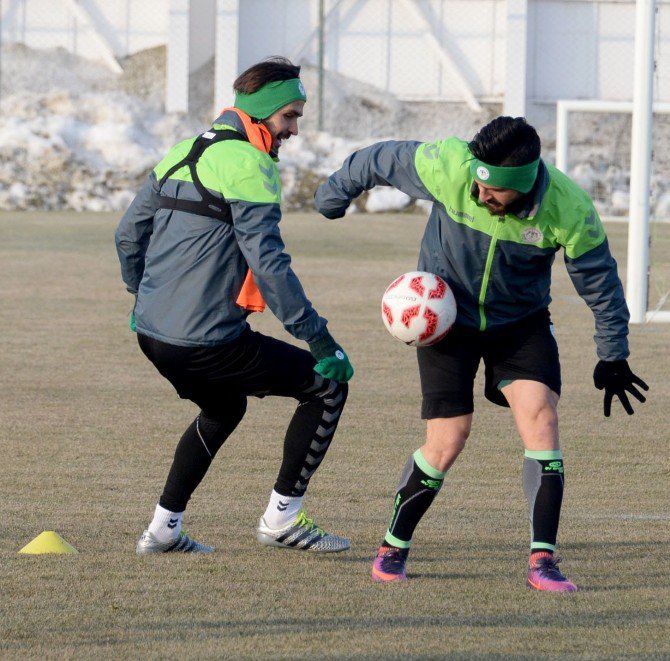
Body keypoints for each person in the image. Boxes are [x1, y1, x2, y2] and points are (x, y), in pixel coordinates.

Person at [314, 116, 648, 591]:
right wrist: (335, 192)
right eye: (477, 181)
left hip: (520, 325)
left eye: (495, 192)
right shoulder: (451, 165)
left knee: (541, 420)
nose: (481, 193)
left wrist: (613, 353)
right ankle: (393, 546)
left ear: (525, 183)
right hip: (446, 322)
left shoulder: (567, 208)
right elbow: (377, 159)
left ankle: (542, 562)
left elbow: (600, 282)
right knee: (448, 439)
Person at [115, 56, 354, 555]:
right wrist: (318, 337)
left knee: (223, 406)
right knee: (327, 386)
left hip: (152, 336)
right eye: (289, 116)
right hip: (207, 342)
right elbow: (269, 264)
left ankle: (162, 530)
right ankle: (283, 519)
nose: (293, 128)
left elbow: (127, 234)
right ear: (263, 112)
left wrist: (142, 298)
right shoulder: (250, 164)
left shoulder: (181, 151)